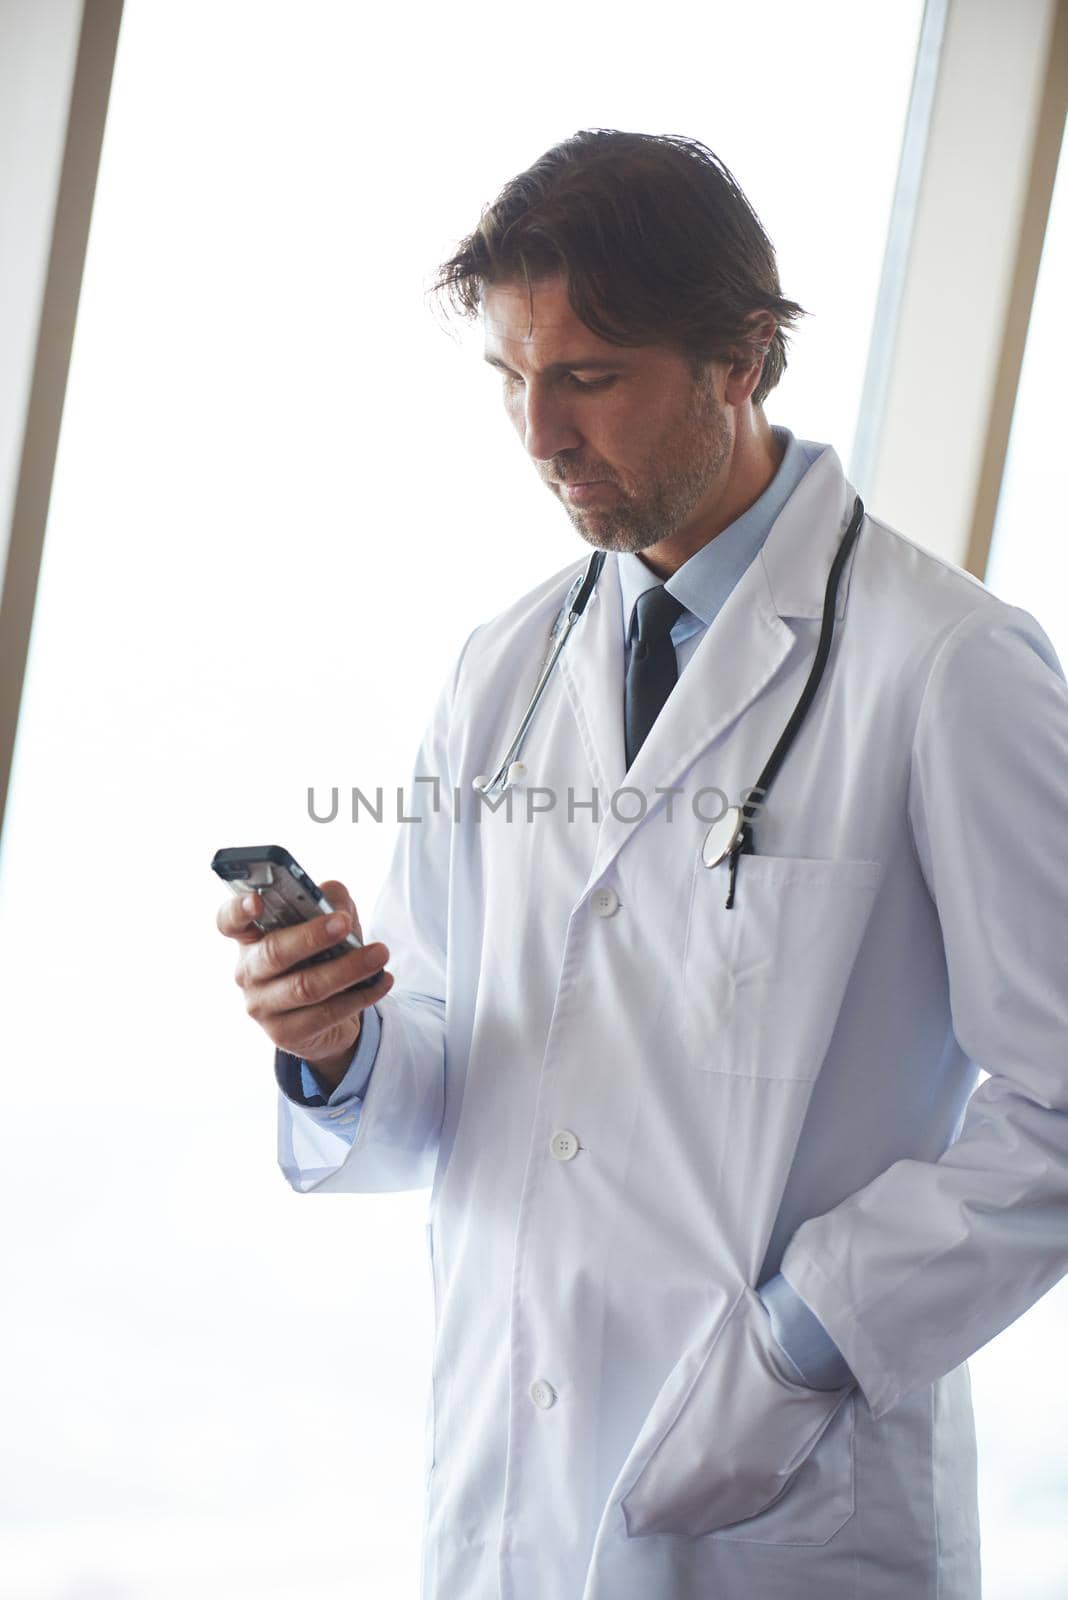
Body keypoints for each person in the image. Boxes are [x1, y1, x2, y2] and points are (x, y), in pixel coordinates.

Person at [216, 130, 1068, 1600]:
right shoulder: (502, 670)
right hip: (513, 1511)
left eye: (588, 377)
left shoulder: (951, 669)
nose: (538, 434)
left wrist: (803, 1340)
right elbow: (453, 1089)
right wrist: (340, 1045)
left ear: (743, 360)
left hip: (783, 1510)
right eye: (510, 378)